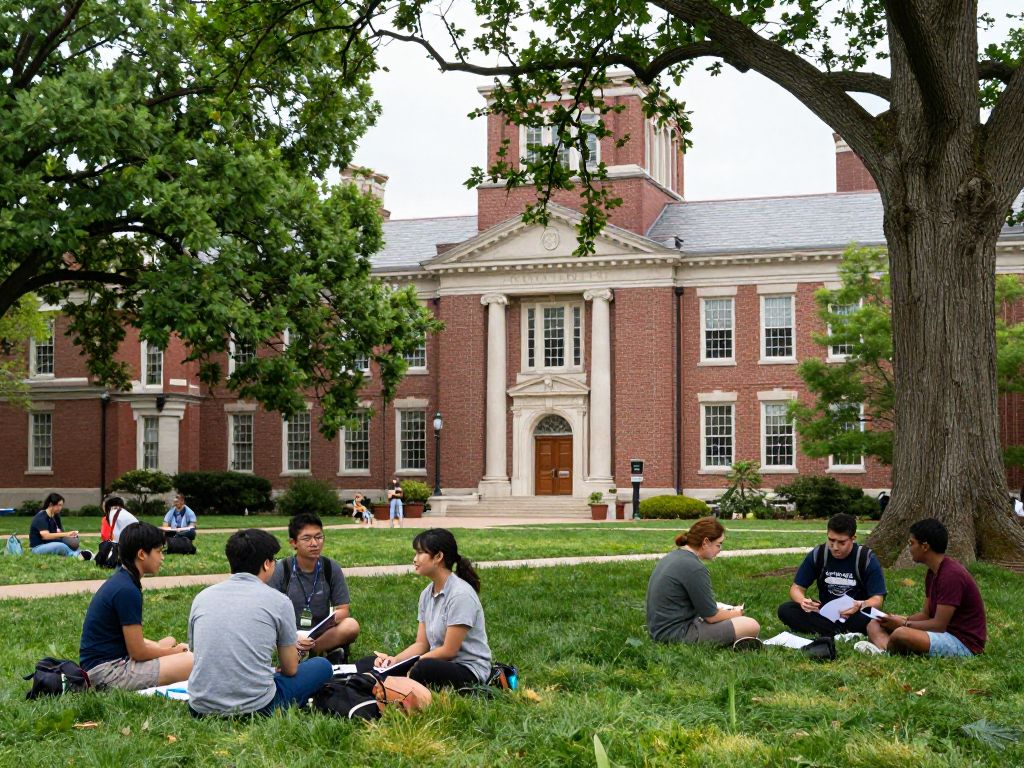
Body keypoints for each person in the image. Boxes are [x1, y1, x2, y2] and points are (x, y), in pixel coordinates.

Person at [187, 529, 333, 716]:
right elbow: (290, 669)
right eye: (274, 560)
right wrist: (296, 651)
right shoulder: (279, 601)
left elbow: (196, 650)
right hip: (257, 706)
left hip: (200, 707)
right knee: (322, 666)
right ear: (266, 564)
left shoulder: (202, 597)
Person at [363, 528, 491, 688]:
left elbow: (449, 651)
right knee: (370, 662)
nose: (414, 559)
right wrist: (395, 661)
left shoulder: (460, 594)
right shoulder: (426, 594)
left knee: (423, 669)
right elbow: (422, 645)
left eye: (420, 553)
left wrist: (413, 664)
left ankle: (390, 683)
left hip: (467, 670)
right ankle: (383, 679)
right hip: (436, 662)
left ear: (438, 557)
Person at [78, 522, 193, 689]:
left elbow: (129, 640)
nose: (162, 557)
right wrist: (174, 652)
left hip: (101, 665)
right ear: (141, 554)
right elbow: (138, 653)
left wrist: (164, 648)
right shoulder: (127, 590)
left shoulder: (122, 580)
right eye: (159, 551)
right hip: (107, 672)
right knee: (192, 660)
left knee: (170, 641)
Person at [857, 518, 987, 657]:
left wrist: (903, 624)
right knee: (874, 624)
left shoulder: (951, 575)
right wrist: (896, 619)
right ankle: (885, 650)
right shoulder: (933, 572)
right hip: (940, 633)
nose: (909, 548)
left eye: (911, 543)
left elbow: (939, 625)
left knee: (901, 633)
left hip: (962, 642)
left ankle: (884, 648)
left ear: (925, 546)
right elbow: (925, 615)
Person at [646, 517, 761, 648]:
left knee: (727, 614)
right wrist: (736, 613)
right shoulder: (694, 567)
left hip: (659, 630)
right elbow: (711, 617)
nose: (720, 549)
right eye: (719, 544)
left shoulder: (673, 557)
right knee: (751, 625)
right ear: (706, 542)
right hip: (675, 635)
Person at [267, 513, 361, 664]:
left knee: (351, 625)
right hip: (289, 634)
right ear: (293, 543)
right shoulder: (281, 569)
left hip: (319, 633)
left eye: (318, 537)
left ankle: (312, 650)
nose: (314, 543)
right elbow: (268, 610)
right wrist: (292, 636)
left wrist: (324, 626)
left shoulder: (331, 568)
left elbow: (343, 609)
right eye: (307, 538)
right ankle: (305, 651)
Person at [777, 513, 887, 637]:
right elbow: (796, 588)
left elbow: (877, 600)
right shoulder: (818, 554)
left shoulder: (866, 558)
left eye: (841, 542)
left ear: (853, 538)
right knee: (786, 610)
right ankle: (838, 631)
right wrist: (803, 601)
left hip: (855, 613)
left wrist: (861, 604)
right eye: (831, 540)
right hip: (825, 613)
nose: (835, 547)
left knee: (874, 617)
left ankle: (829, 630)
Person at [29, 492, 92, 560]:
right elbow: (45, 536)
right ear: (51, 504)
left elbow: (60, 533)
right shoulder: (41, 517)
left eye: (61, 505)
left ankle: (84, 554)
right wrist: (66, 534)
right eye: (59, 505)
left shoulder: (56, 516)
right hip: (38, 547)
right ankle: (76, 556)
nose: (60, 508)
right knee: (61, 546)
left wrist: (70, 536)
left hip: (51, 542)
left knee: (73, 540)